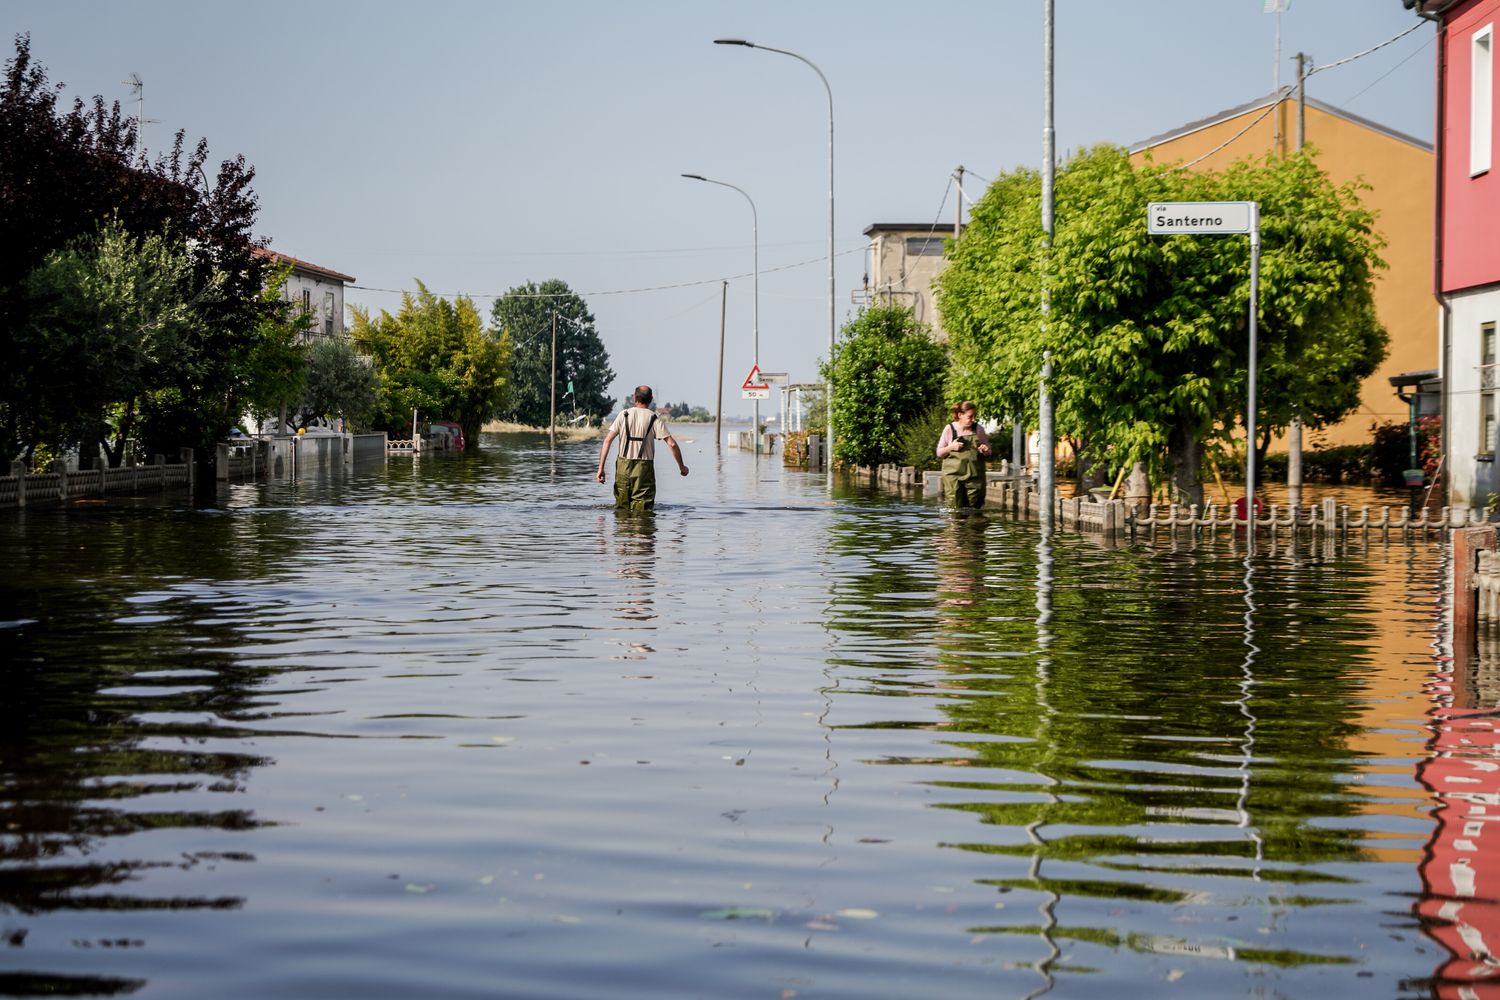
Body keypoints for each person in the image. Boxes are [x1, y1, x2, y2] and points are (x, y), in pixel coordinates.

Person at [596, 385, 689, 509]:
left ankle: (623, 527)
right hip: (644, 470)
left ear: (635, 398)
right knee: (643, 510)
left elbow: (607, 441)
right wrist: (682, 467)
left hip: (623, 468)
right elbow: (672, 444)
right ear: (651, 399)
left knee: (621, 508)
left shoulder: (623, 415)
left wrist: (601, 468)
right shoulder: (654, 418)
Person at [936, 401, 991, 509]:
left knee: (975, 508)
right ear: (960, 415)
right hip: (953, 476)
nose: (973, 419)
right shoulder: (950, 429)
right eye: (970, 416)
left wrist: (985, 450)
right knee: (956, 507)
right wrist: (951, 447)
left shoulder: (978, 429)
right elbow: (939, 452)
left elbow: (989, 452)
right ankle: (955, 525)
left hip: (975, 476)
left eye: (974, 416)